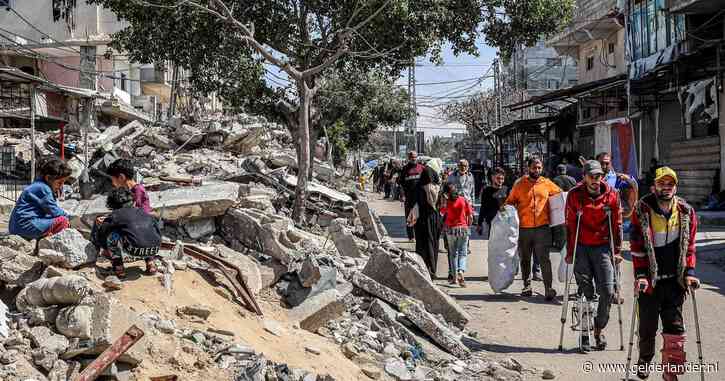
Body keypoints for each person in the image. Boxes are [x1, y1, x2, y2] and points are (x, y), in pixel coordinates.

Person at [629, 167, 700, 381]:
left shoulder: (686, 211)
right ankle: (645, 359)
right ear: (654, 186)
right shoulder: (642, 209)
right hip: (650, 282)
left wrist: (689, 272)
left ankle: (672, 372)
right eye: (662, 184)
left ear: (675, 187)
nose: (666, 188)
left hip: (675, 282)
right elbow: (637, 246)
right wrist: (641, 275)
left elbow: (690, 246)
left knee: (675, 330)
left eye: (670, 184)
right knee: (647, 328)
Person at [565, 160, 622, 352]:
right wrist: (570, 252)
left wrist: (617, 251)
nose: (595, 180)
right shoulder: (574, 195)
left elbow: (617, 224)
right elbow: (570, 225)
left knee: (607, 291)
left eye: (598, 176)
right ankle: (584, 334)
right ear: (584, 177)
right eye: (591, 176)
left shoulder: (612, 195)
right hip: (581, 247)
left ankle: (598, 328)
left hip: (604, 247)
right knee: (586, 293)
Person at [505, 157, 562, 300]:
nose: (537, 170)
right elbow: (510, 202)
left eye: (539, 168)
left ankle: (548, 288)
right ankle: (526, 285)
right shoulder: (519, 185)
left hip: (543, 229)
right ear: (528, 168)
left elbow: (561, 196)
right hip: (524, 229)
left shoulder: (547, 183)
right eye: (534, 167)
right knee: (525, 258)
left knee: (544, 259)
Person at [94, 187, 162, 279]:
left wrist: (104, 247)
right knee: (144, 233)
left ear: (112, 205)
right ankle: (151, 264)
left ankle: (119, 268)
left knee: (112, 235)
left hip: (134, 249)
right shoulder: (144, 212)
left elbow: (103, 232)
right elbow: (157, 230)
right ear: (133, 202)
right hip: (155, 248)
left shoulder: (115, 214)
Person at [9, 159, 71, 240]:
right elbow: (54, 211)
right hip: (25, 226)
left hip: (16, 227)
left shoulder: (38, 185)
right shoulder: (43, 188)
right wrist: (69, 217)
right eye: (59, 182)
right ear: (48, 178)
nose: (61, 186)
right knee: (63, 221)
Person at [407, 164, 441, 275]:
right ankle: (432, 269)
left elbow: (412, 203)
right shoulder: (437, 187)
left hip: (422, 220)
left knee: (422, 244)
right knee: (432, 243)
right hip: (433, 219)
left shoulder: (418, 187)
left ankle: (422, 268)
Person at [440, 183, 474, 287]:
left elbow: (442, 213)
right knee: (463, 253)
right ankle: (461, 271)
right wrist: (468, 225)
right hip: (463, 229)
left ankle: (454, 278)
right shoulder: (463, 200)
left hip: (450, 230)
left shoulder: (447, 202)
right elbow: (471, 216)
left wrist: (443, 201)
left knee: (452, 254)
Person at [596, 152, 638, 219]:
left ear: (611, 163)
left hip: (611, 217)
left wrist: (634, 202)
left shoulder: (616, 178)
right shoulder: (590, 178)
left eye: (607, 163)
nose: (604, 166)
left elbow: (634, 184)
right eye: (601, 163)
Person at [399, 151, 425, 240]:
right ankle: (411, 236)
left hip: (420, 198)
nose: (413, 158)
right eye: (411, 157)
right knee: (409, 217)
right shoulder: (405, 169)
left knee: (420, 217)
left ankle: (419, 235)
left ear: (417, 157)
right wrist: (402, 195)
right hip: (409, 197)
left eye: (415, 157)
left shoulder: (422, 168)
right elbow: (401, 183)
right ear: (408, 158)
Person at [476, 167, 509, 238]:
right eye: (498, 178)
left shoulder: (506, 190)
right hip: (491, 223)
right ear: (492, 178)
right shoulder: (486, 191)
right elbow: (483, 207)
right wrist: (479, 223)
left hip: (504, 223)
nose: (500, 181)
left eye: (502, 179)